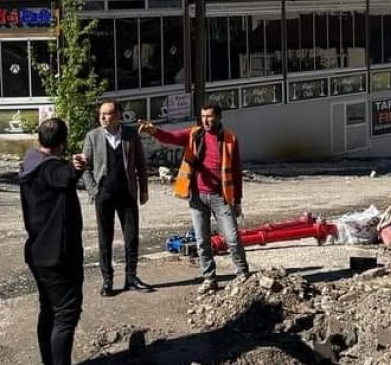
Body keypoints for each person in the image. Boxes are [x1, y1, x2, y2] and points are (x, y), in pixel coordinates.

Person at [140, 102, 249, 293]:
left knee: (232, 238)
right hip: (197, 196)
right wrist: (153, 131)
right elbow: (171, 137)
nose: (206, 120)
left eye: (210, 116)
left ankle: (242, 274)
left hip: (221, 197)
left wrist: (237, 200)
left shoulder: (230, 139)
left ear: (219, 117)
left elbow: (236, 171)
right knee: (201, 240)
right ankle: (209, 279)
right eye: (203, 116)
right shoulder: (194, 134)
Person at [19, 118, 87, 365]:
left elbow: (63, 174)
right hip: (57, 255)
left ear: (39, 139)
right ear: (63, 142)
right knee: (65, 315)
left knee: (49, 311)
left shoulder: (30, 163)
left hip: (39, 252)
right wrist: (76, 166)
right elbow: (63, 175)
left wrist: (73, 167)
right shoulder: (48, 168)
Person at [80, 100, 151, 297]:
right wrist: (94, 191)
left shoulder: (130, 135)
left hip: (127, 193)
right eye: (101, 114)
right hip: (104, 194)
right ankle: (108, 280)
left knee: (131, 237)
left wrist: (143, 190)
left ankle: (131, 277)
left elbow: (141, 164)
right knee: (105, 239)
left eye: (108, 114)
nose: (103, 117)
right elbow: (84, 167)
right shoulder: (92, 137)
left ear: (118, 115)